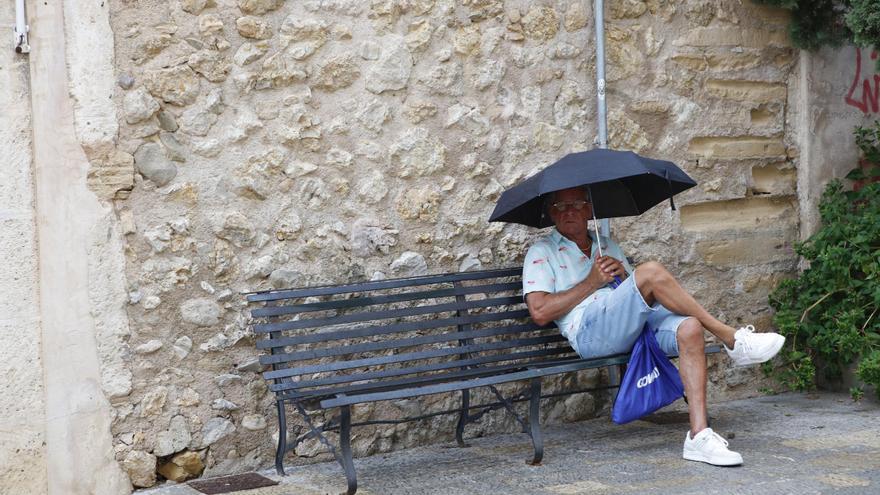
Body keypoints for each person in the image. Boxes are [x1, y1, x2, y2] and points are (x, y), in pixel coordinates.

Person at [522, 186, 785, 466]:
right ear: (552, 213)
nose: (569, 211)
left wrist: (624, 278)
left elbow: (630, 295)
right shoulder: (542, 252)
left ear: (590, 209)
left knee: (690, 328)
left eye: (576, 204)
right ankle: (730, 337)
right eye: (560, 207)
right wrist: (592, 282)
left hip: (629, 326)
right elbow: (539, 311)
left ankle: (699, 436)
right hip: (590, 334)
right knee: (649, 272)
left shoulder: (607, 245)